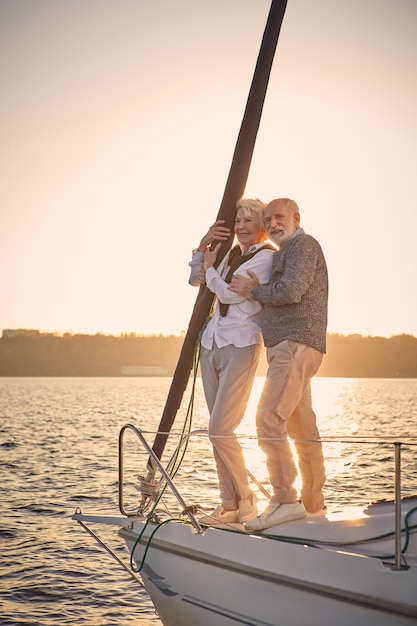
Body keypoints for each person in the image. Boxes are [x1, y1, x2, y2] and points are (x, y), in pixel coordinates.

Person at [230, 197, 328, 530]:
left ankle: (286, 500)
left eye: (279, 217)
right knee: (301, 427)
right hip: (292, 346)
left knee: (269, 418)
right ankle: (314, 505)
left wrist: (255, 290)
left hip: (294, 345)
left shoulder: (303, 246)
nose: (273, 224)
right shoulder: (287, 251)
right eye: (268, 219)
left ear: (296, 218)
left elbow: (291, 290)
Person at [189, 198, 275, 526]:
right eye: (237, 220)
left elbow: (228, 294)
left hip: (242, 345)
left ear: (262, 225)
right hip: (212, 344)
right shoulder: (229, 255)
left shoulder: (266, 256)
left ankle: (248, 501)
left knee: (219, 430)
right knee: (216, 432)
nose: (240, 226)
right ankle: (228, 505)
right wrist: (203, 247)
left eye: (247, 220)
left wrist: (211, 270)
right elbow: (196, 280)